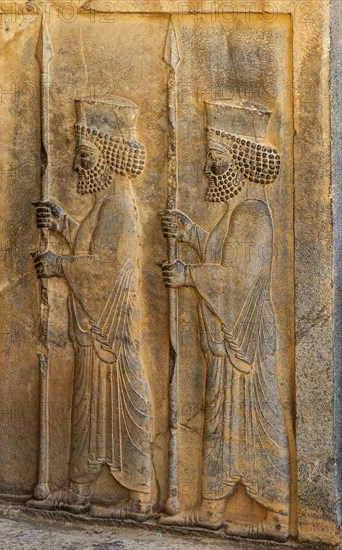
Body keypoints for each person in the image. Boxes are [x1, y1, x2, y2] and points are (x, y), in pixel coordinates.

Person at [160, 99, 290, 541]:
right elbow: (222, 257)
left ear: (239, 161)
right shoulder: (236, 211)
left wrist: (188, 276)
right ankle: (212, 507)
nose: (210, 172)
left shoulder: (253, 213)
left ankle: (278, 515)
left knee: (259, 424)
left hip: (245, 345)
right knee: (218, 421)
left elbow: (236, 280)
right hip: (227, 343)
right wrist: (191, 233)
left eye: (216, 163)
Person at [29, 96, 153, 520]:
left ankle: (137, 496)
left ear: (109, 153)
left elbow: (103, 268)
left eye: (84, 155)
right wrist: (62, 224)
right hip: (98, 333)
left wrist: (59, 265)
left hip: (110, 333)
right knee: (88, 406)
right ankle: (80, 489)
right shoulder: (107, 203)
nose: (78, 165)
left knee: (119, 405)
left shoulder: (119, 206)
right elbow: (93, 248)